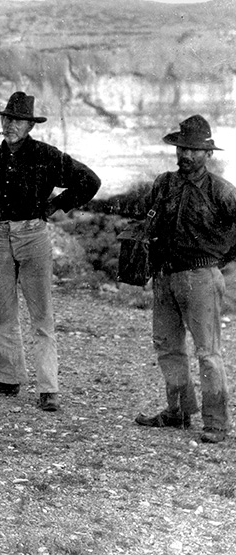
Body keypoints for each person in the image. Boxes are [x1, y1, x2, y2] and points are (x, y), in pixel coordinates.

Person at [0, 91, 101, 412]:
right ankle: (8, 379)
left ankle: (49, 388)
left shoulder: (47, 155)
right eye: (7, 119)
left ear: (30, 125)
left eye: (17, 120)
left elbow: (89, 180)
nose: (11, 125)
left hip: (33, 236)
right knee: (3, 312)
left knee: (41, 313)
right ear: (2, 122)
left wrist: (57, 204)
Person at [135, 115, 235, 444]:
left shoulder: (222, 191)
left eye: (193, 150)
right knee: (168, 348)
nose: (186, 155)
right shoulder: (164, 183)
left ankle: (217, 424)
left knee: (208, 352)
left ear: (207, 154)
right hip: (164, 277)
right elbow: (146, 220)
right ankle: (178, 412)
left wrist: (221, 259)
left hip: (202, 277)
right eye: (182, 148)